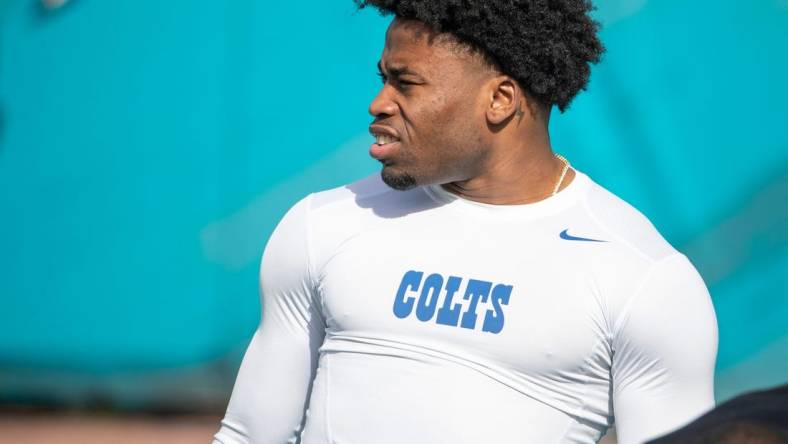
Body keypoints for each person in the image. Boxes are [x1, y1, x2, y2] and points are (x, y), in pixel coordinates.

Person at [213, 1, 718, 443]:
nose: (379, 103)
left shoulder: (643, 277)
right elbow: (249, 436)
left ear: (499, 100)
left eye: (405, 83)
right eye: (383, 77)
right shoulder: (323, 224)